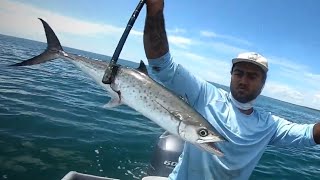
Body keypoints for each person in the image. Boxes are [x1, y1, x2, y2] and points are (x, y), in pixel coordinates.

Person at [143, 0, 320, 179]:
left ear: (263, 83)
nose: (243, 81)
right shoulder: (204, 95)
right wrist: (155, 8)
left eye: (252, 76)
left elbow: (309, 135)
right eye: (239, 73)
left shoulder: (269, 125)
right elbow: (163, 66)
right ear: (231, 75)